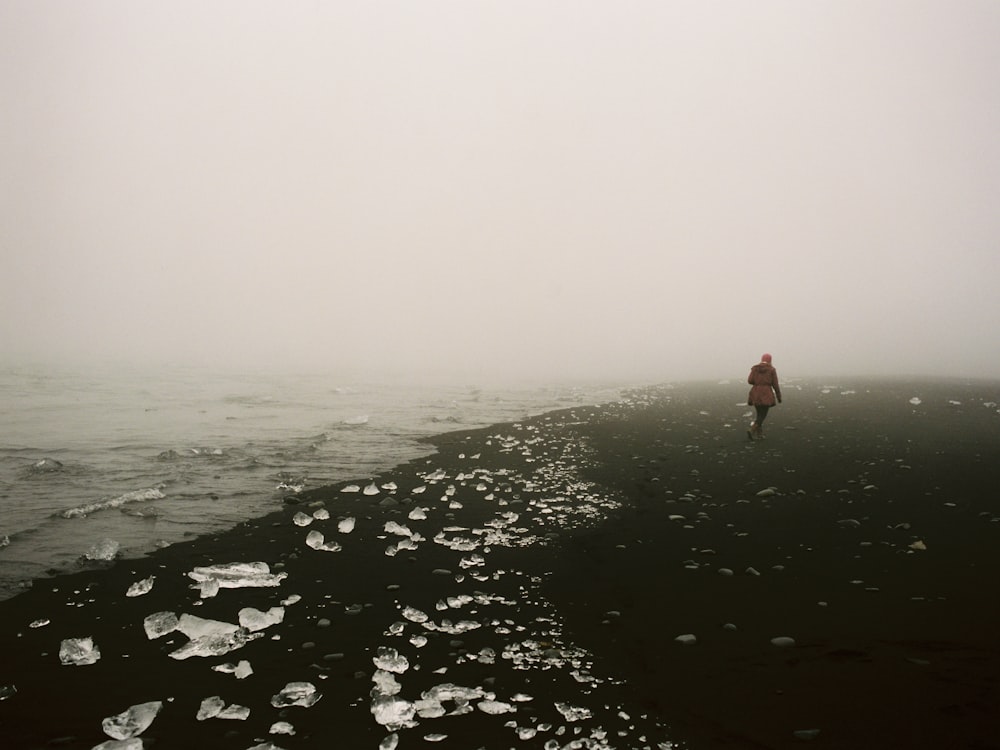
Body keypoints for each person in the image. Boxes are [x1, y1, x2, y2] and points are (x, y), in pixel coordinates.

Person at [747, 353, 781, 440]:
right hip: (766, 393)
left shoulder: (755, 369)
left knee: (759, 414)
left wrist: (758, 381)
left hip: (756, 392)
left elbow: (750, 381)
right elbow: (775, 384)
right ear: (770, 360)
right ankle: (753, 429)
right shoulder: (771, 370)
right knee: (763, 415)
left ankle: (760, 435)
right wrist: (778, 396)